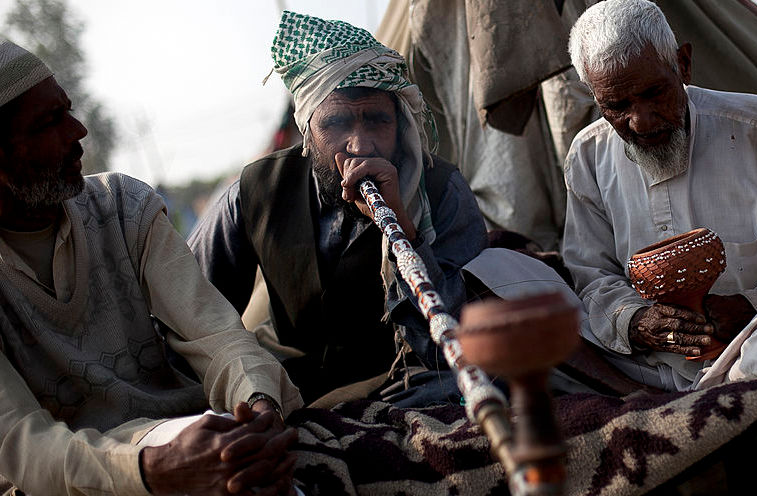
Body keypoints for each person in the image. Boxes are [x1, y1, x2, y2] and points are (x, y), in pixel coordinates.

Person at [0, 38, 303, 495]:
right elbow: (22, 443)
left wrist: (258, 408)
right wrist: (152, 469)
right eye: (48, 122)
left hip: (194, 434)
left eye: (68, 109)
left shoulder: (123, 207)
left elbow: (217, 335)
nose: (78, 130)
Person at [189, 13, 487, 405]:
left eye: (377, 120)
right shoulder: (254, 192)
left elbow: (457, 339)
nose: (359, 145)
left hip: (400, 383)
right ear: (307, 132)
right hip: (285, 386)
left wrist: (404, 231)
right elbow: (193, 315)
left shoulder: (442, 190)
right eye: (337, 123)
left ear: (399, 125)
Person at [562, 0, 757, 392]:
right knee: (531, 321)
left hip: (754, 345)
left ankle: (719, 399)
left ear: (683, 65)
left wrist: (750, 305)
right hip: (648, 364)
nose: (640, 120)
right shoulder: (588, 155)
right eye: (617, 105)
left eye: (654, 93)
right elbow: (591, 276)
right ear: (595, 97)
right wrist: (636, 321)